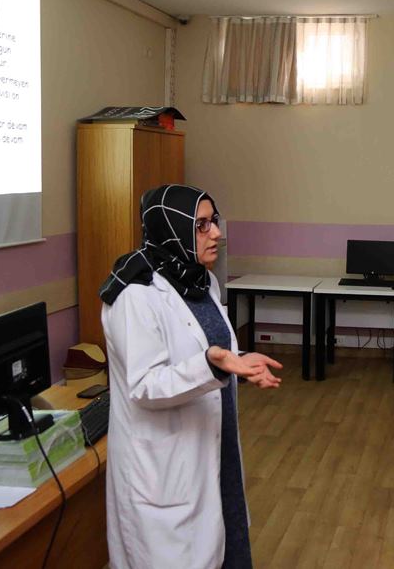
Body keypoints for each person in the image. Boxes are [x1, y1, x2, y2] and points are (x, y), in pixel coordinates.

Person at [99, 184, 283, 569]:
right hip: (167, 468)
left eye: (214, 221)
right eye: (201, 225)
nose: (216, 233)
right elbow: (145, 384)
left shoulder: (202, 281)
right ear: (171, 229)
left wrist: (240, 361)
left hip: (215, 449)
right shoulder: (137, 296)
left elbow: (208, 350)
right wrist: (214, 366)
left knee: (229, 544)